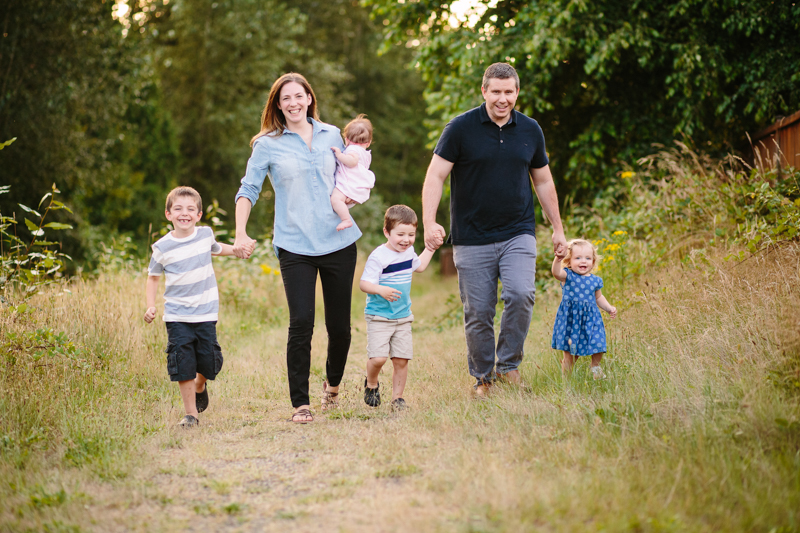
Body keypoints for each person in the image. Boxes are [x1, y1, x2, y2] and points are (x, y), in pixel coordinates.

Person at [422, 62, 567, 397]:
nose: (503, 99)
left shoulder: (530, 130)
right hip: (472, 236)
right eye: (496, 92)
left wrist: (557, 228)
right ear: (484, 91)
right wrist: (430, 222)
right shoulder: (460, 128)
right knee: (479, 311)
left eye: (509, 92)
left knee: (521, 294)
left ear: (517, 92)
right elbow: (435, 176)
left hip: (518, 231)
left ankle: (509, 367)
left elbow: (543, 181)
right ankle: (483, 378)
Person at [233, 73, 362, 423]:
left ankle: (332, 387)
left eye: (298, 96)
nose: (292, 103)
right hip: (294, 245)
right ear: (277, 104)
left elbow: (353, 174)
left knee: (340, 328)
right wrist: (240, 232)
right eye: (285, 98)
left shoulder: (332, 134)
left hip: (337, 241)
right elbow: (248, 189)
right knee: (301, 322)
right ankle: (300, 404)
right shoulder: (267, 144)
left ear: (309, 98)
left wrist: (353, 197)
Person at [144, 186, 247, 428]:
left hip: (206, 313)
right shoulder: (161, 247)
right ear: (168, 214)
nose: (184, 213)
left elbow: (218, 248)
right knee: (183, 363)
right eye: (178, 208)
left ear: (199, 215)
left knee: (211, 362)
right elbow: (153, 277)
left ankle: (201, 384)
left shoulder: (205, 235)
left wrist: (238, 251)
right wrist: (150, 305)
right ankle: (191, 414)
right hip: (177, 316)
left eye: (191, 209)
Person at [359, 205, 437, 410]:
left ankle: (397, 398)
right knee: (378, 358)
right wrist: (380, 290)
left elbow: (419, 266)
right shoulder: (379, 256)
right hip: (379, 316)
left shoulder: (409, 252)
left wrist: (430, 249)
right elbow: (364, 284)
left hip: (402, 316)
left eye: (411, 234)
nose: (406, 239)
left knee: (401, 359)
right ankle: (372, 383)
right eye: (400, 234)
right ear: (387, 232)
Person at [551, 239, 617, 379]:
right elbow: (556, 273)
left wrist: (609, 308)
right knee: (570, 355)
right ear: (569, 261)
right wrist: (558, 259)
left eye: (588, 258)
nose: (583, 261)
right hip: (571, 320)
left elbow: (598, 298)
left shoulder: (595, 280)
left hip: (591, 320)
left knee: (598, 343)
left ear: (593, 262)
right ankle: (567, 382)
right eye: (578, 258)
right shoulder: (568, 276)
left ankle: (595, 367)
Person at [330, 114, 376, 231]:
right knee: (340, 203)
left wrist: (340, 155)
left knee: (335, 200)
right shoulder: (366, 154)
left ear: (346, 139)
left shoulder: (352, 149)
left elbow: (352, 161)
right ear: (369, 142)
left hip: (348, 185)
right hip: (358, 187)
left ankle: (346, 220)